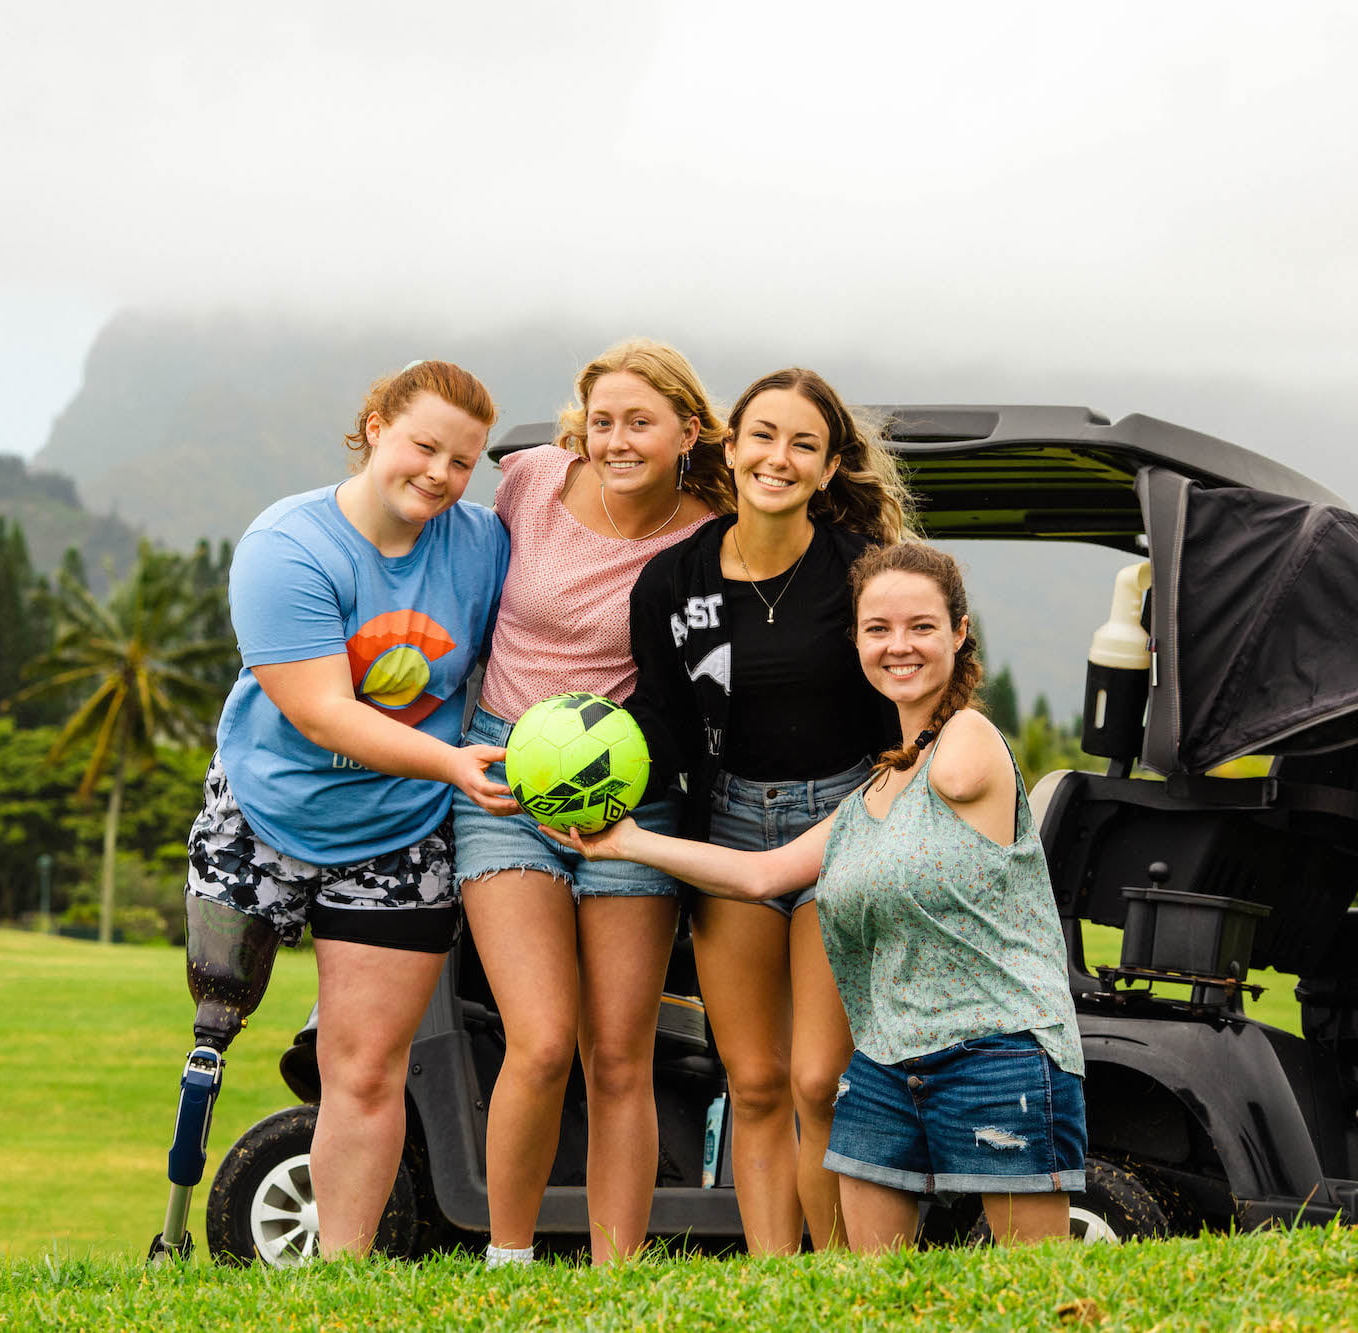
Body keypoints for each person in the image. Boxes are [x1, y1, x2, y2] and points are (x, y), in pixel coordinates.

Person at [554, 542, 1087, 1253]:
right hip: (887, 1066)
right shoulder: (871, 793)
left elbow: (951, 772)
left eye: (922, 627)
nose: (899, 645)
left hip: (1000, 1053)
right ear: (856, 642)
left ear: (961, 632)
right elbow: (762, 875)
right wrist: (621, 844)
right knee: (870, 1296)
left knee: (1033, 1292)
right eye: (878, 629)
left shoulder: (971, 740)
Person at [185, 359, 516, 1257]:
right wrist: (453, 761)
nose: (442, 475)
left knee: (364, 1068)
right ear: (375, 426)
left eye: (464, 461)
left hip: (399, 832)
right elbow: (323, 709)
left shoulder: (482, 544)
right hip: (264, 807)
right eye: (424, 446)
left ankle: (342, 1273)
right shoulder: (286, 545)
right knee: (215, 1022)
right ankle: (176, 1224)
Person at [452, 338, 735, 1266]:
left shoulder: (711, 535)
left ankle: (616, 1275)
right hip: (504, 787)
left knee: (620, 1054)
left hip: (631, 803)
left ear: (688, 430)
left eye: (640, 422)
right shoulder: (530, 480)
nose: (617, 439)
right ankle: (508, 1261)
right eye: (603, 419)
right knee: (539, 1040)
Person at [624, 368, 909, 1253]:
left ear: (828, 471)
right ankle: (776, 1280)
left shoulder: (865, 572)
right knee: (752, 1081)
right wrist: (592, 781)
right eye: (762, 436)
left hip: (847, 821)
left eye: (802, 444)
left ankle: (831, 1279)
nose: (777, 457)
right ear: (731, 445)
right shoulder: (674, 582)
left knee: (820, 1079)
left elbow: (912, 704)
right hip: (730, 828)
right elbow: (663, 724)